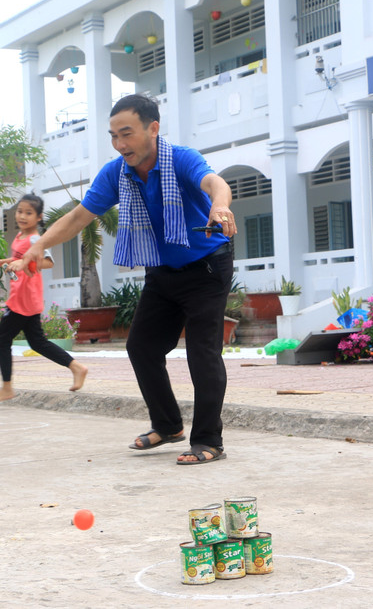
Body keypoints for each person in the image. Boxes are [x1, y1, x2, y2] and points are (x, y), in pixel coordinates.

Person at [14, 94, 237, 466]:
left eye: (127, 134)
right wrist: (38, 247)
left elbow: (216, 184)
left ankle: (209, 440)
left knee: (203, 353)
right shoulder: (117, 173)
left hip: (206, 268)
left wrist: (220, 206)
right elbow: (78, 217)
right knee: (142, 348)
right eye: (114, 136)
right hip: (162, 270)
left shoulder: (180, 159)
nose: (120, 144)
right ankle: (168, 426)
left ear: (153, 128)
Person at [0, 193, 87, 403]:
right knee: (37, 342)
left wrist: (25, 264)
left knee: (1, 340)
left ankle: (6, 388)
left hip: (23, 301)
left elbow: (48, 263)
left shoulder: (34, 239)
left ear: (39, 217)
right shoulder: (20, 237)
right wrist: (3, 262)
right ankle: (77, 367)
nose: (22, 216)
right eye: (20, 211)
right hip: (22, 297)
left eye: (28, 213)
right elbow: (18, 261)